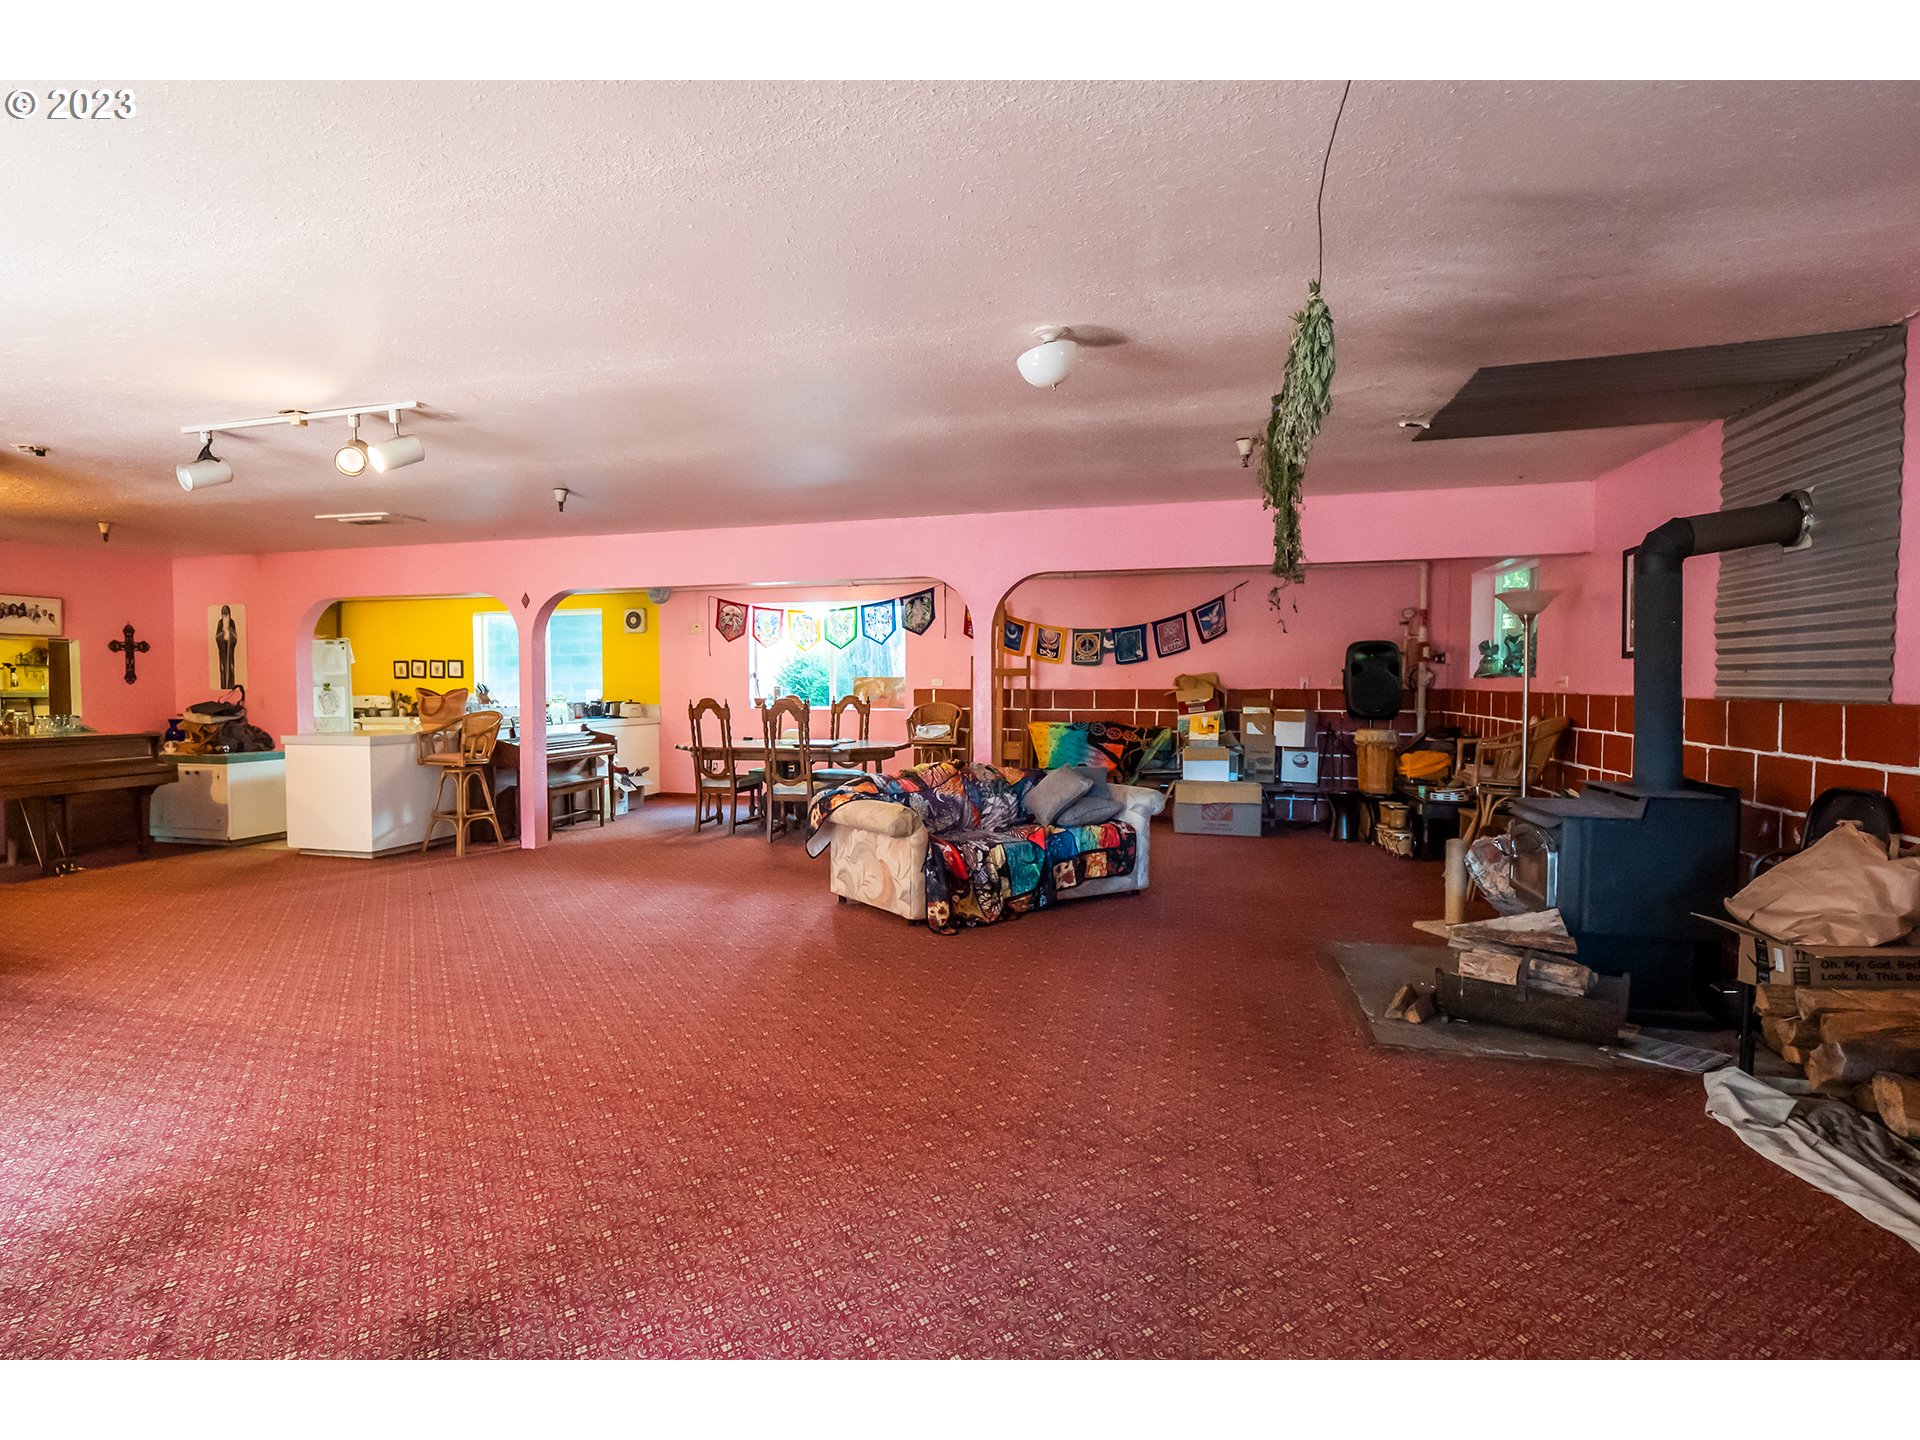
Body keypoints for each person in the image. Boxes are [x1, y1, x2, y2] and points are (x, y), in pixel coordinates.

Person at [214, 605, 239, 690]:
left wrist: (230, 632)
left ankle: (231, 687)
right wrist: (223, 632)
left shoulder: (232, 622)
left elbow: (235, 636)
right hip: (222, 650)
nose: (225, 617)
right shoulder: (220, 623)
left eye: (227, 615)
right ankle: (223, 687)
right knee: (222, 667)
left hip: (230, 650)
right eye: (224, 615)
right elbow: (217, 636)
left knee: (231, 667)